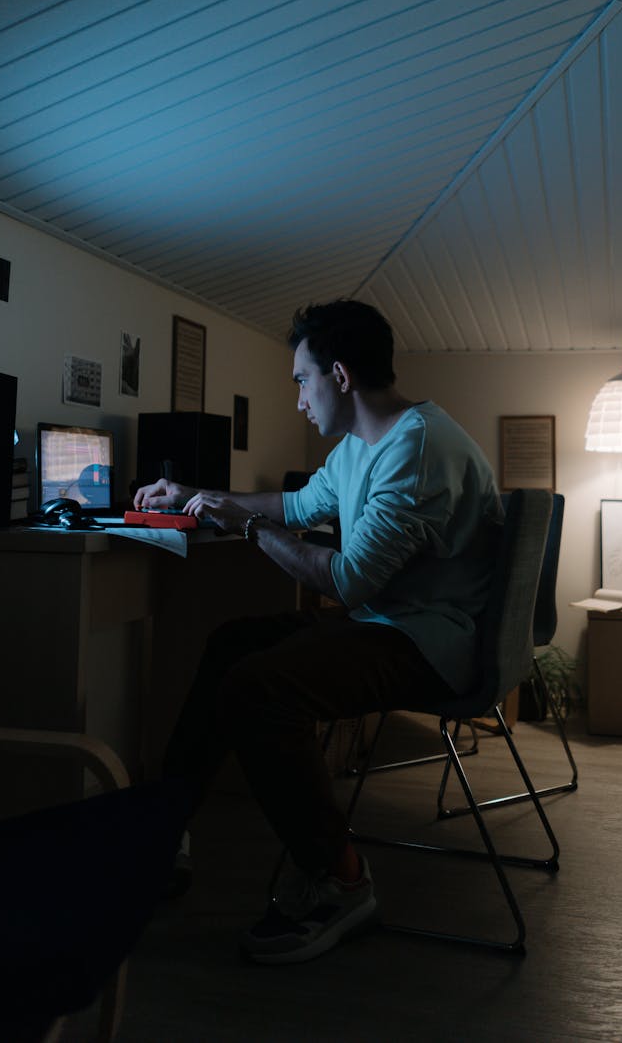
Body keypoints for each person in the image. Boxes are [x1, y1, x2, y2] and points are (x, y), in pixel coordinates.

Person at [134, 298, 502, 965]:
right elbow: (296, 507)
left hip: (429, 644)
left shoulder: (414, 448)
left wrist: (247, 526)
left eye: (301, 380)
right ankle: (161, 831)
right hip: (387, 623)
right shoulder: (365, 443)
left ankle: (342, 879)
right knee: (231, 643)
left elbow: (350, 578)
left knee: (256, 688)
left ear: (338, 376)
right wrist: (203, 495)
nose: (298, 398)